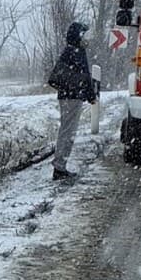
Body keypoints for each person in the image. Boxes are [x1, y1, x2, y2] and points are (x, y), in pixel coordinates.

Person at [46, 21, 99, 181]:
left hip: (68, 95)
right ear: (80, 36)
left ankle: (60, 165)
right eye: (85, 35)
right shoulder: (76, 52)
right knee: (68, 132)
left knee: (66, 130)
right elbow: (84, 76)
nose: (87, 39)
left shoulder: (70, 51)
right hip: (72, 97)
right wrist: (90, 95)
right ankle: (59, 167)